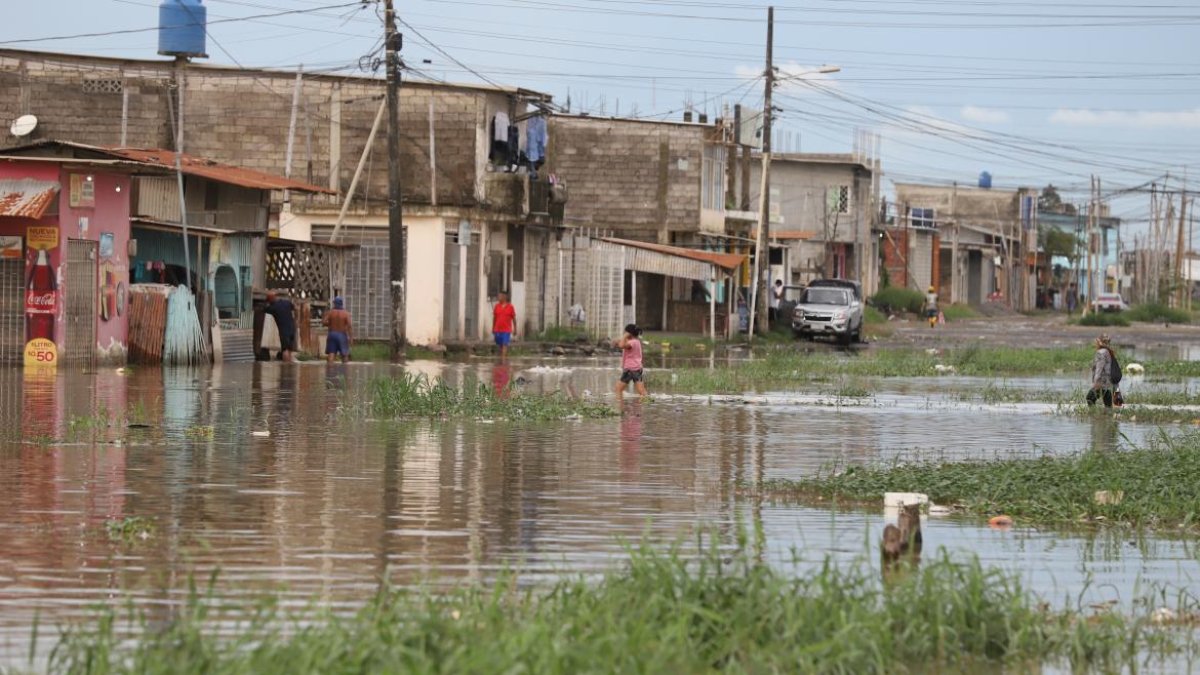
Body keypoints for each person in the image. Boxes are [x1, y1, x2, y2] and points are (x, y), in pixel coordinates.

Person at [615, 323, 648, 400]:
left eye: (625, 332)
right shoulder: (636, 341)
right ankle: (646, 403)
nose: (624, 334)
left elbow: (621, 346)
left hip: (630, 369)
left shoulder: (632, 342)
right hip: (637, 368)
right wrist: (619, 341)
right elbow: (622, 344)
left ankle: (620, 407)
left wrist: (624, 336)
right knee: (641, 391)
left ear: (629, 333)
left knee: (618, 389)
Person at [265, 291, 297, 362]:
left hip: (283, 331)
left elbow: (264, 309)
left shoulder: (273, 308)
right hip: (292, 329)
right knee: (289, 350)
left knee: (285, 349)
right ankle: (289, 367)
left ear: (270, 300)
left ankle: (285, 368)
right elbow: (295, 307)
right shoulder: (286, 303)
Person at [1088, 333, 1117, 408]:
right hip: (1107, 382)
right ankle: (1107, 417)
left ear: (1098, 341)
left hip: (1101, 382)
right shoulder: (1108, 351)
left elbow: (1099, 368)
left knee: (1089, 398)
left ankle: (1093, 416)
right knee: (1108, 404)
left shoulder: (1101, 352)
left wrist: (1096, 382)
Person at [322, 296, 353, 364]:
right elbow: (350, 326)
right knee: (344, 354)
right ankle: (345, 372)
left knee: (331, 353)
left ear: (334, 304)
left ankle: (330, 371)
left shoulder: (330, 312)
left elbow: (324, 322)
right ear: (341, 304)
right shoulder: (346, 313)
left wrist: (330, 324)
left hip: (332, 334)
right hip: (342, 335)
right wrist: (351, 338)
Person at [492, 290, 517, 360]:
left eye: (500, 296)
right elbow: (494, 318)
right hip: (497, 330)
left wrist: (515, 329)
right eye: (498, 296)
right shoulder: (497, 306)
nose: (498, 297)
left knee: (504, 345)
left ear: (504, 297)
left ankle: (503, 362)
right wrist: (493, 328)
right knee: (500, 346)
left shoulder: (510, 307)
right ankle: (504, 359)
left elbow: (514, 319)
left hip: (506, 330)